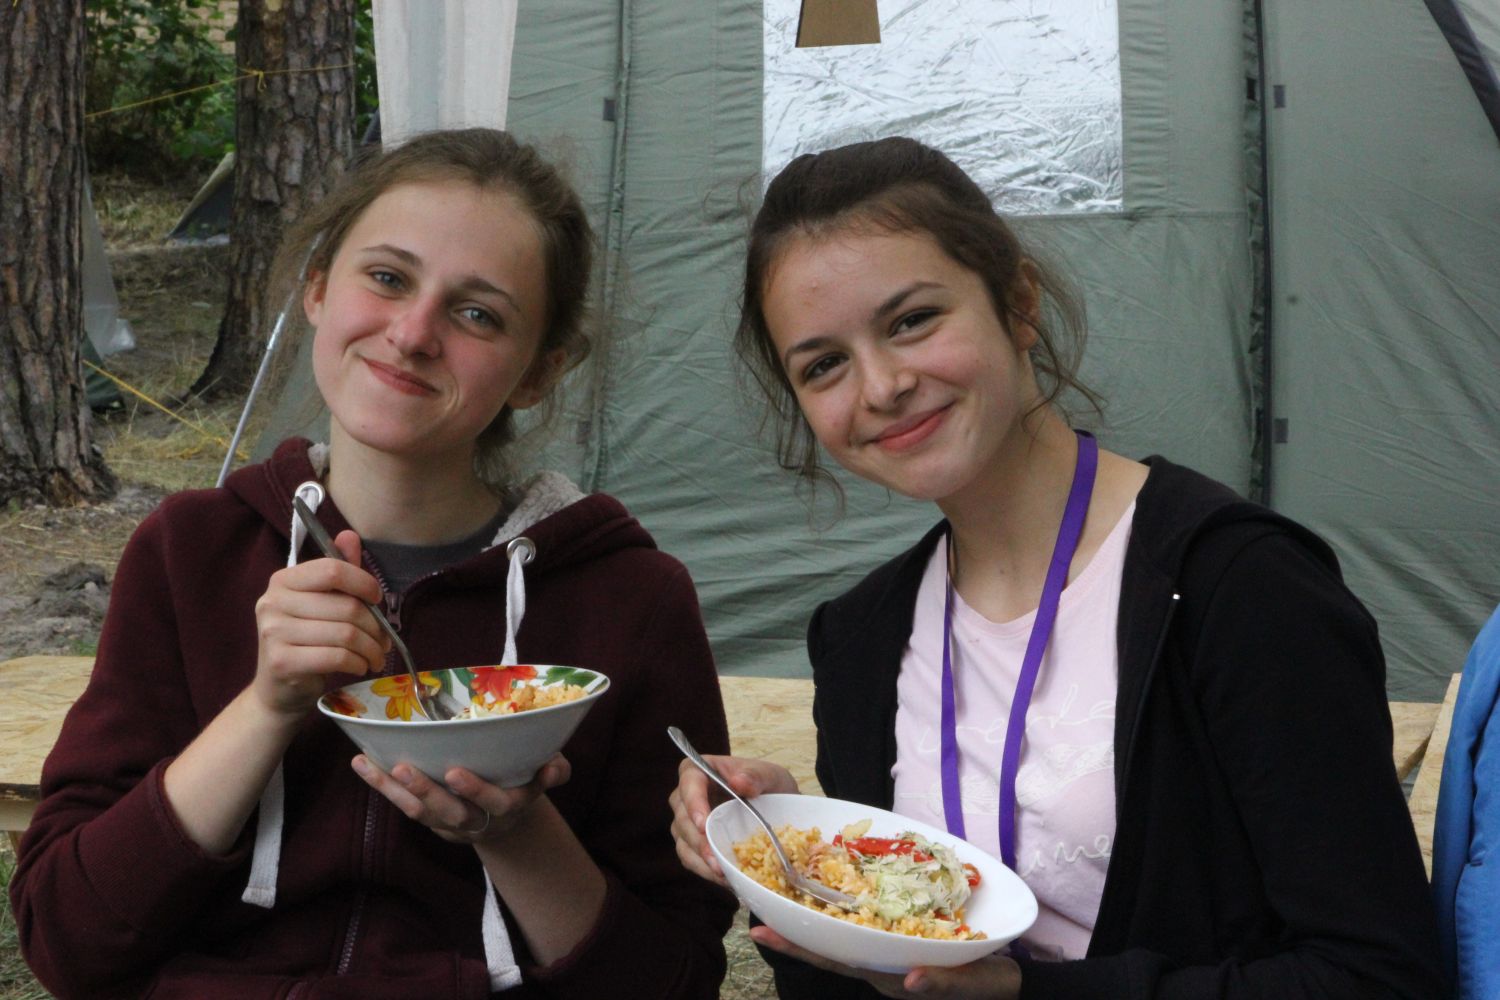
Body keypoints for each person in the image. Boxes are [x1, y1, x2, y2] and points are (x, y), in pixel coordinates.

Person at [670, 136, 1444, 999]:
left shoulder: (1241, 591)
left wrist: (1026, 993)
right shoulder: (863, 640)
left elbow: (1380, 977)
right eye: (824, 365)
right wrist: (798, 856)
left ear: (1019, 302)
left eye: (912, 320)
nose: (881, 386)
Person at [11, 128, 735, 1000]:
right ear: (318, 287)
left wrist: (513, 831)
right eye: (388, 278)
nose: (414, 333)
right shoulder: (189, 551)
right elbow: (68, 940)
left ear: (539, 370)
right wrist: (266, 706)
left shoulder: (631, 600)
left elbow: (675, 979)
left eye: (478, 314)